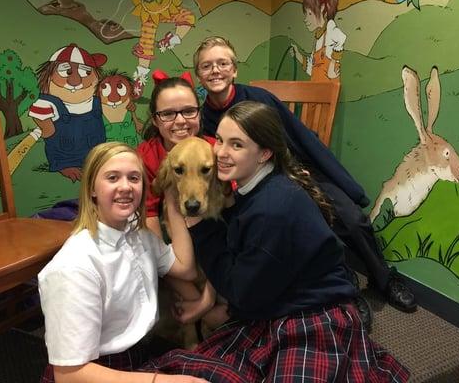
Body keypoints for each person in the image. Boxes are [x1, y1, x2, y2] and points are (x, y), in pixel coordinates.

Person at [144, 101, 410, 382]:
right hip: (276, 302)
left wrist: (199, 229)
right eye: (220, 140)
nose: (219, 152)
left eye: (236, 145)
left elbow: (240, 291)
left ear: (264, 153)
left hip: (314, 317)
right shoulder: (253, 188)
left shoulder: (272, 207)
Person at [192, 36, 417, 324]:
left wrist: (327, 176)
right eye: (207, 66)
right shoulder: (202, 119)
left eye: (222, 63)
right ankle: (344, 290)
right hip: (252, 187)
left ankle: (383, 278)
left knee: (351, 218)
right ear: (199, 74)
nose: (215, 71)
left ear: (234, 69)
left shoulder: (260, 98)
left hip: (296, 168)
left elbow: (299, 137)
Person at [38, 142, 208, 383]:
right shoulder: (73, 266)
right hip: (98, 372)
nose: (126, 187)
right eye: (113, 178)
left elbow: (185, 269)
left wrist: (171, 200)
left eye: (134, 178)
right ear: (92, 189)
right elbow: (69, 375)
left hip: (140, 357)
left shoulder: (139, 236)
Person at [136, 69, 224, 334]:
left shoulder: (216, 150)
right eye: (168, 114)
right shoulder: (146, 157)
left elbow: (231, 233)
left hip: (211, 237)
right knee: (177, 270)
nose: (180, 121)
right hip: (165, 238)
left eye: (188, 111)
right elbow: (152, 233)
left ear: (199, 112)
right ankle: (200, 321)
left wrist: (206, 299)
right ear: (156, 119)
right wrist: (200, 302)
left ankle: (203, 313)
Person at [29, 43, 106, 182]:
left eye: (85, 72)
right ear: (49, 75)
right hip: (65, 158)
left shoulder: (96, 101)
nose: (75, 80)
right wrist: (47, 127)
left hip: (95, 157)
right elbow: (41, 118)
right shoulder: (50, 103)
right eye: (67, 71)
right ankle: (63, 165)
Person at [290, 0, 345, 82]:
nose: (305, 19)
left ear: (322, 8)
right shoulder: (318, 38)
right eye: (305, 14)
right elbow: (312, 69)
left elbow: (341, 38)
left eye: (309, 13)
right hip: (316, 91)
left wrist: (332, 66)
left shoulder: (330, 28)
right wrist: (298, 55)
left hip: (327, 91)